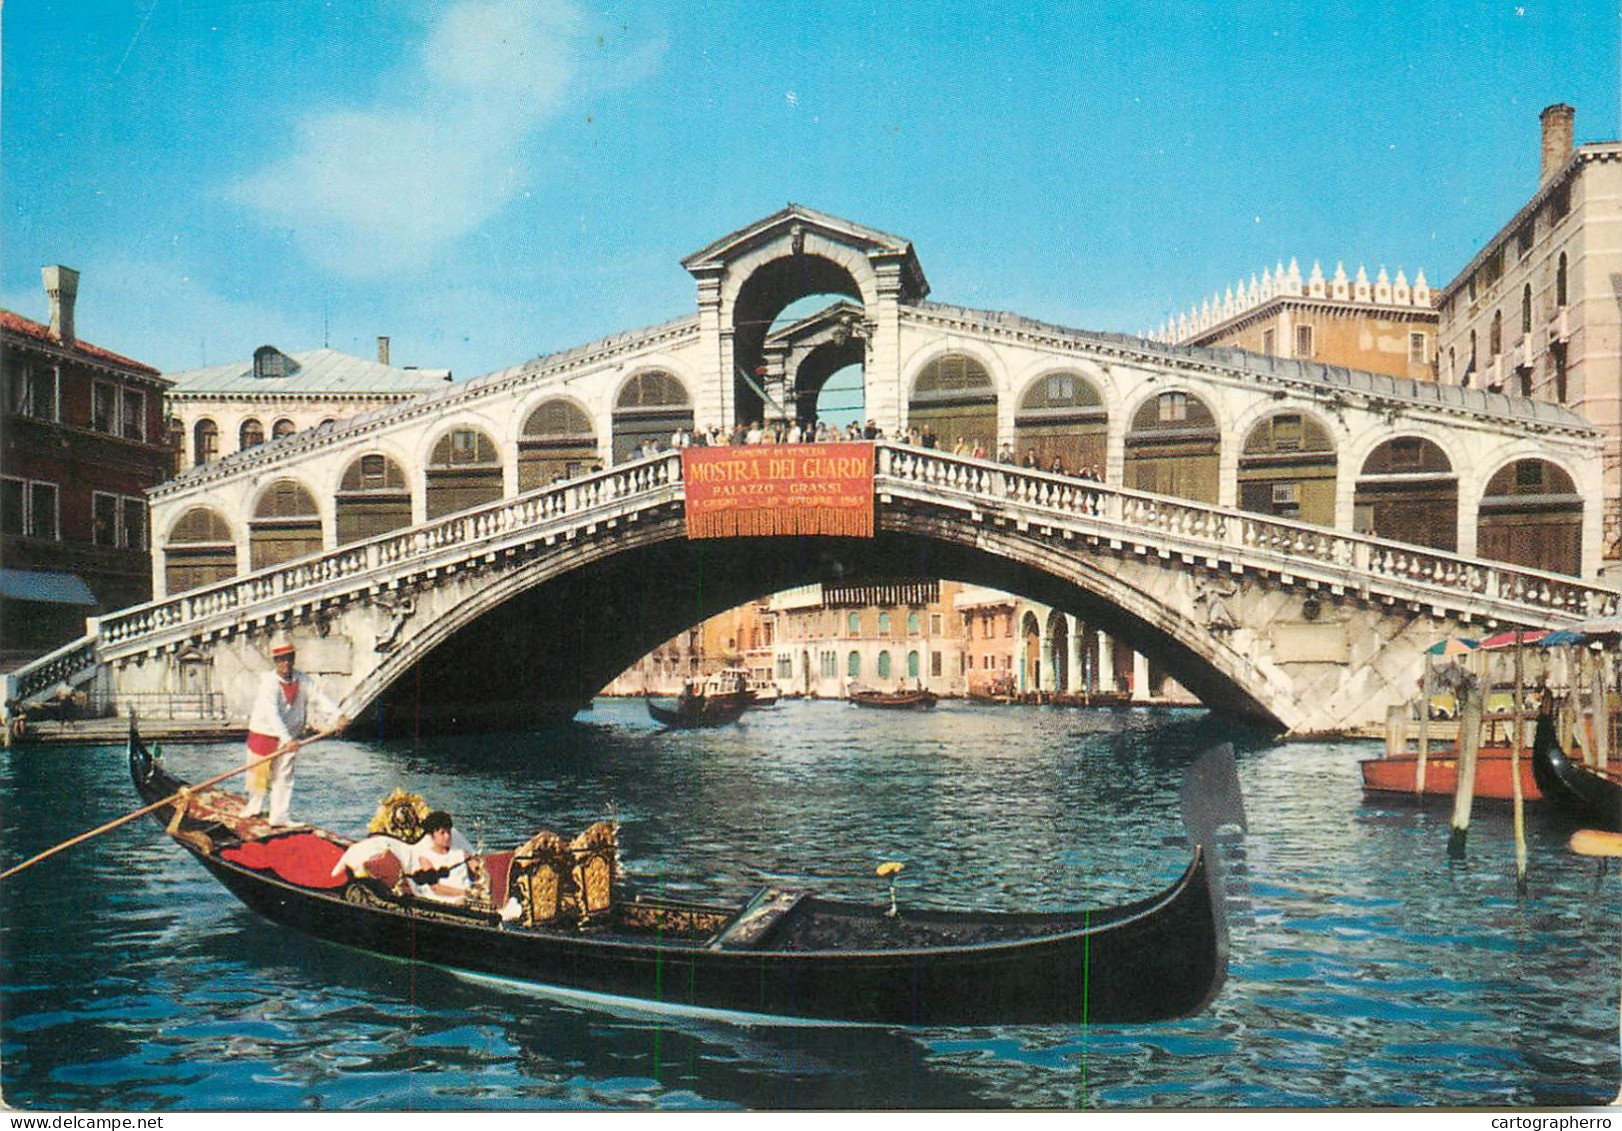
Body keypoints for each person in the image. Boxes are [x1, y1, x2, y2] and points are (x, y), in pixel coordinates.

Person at [243, 640, 349, 827]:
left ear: (293, 659)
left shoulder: (303, 680)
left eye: (289, 659)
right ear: (275, 662)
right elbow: (272, 713)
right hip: (265, 733)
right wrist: (286, 739)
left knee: (284, 776)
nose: (286, 664)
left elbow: (319, 698)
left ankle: (279, 817)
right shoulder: (269, 683)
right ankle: (254, 808)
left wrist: (338, 716)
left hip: (290, 736)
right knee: (259, 776)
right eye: (281, 660)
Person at [407, 811, 470, 904]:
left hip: (468, 899)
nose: (447, 836)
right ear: (432, 835)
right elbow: (435, 888)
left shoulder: (460, 853)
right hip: (443, 901)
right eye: (442, 833)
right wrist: (464, 893)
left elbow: (479, 870)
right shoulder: (426, 858)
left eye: (449, 832)